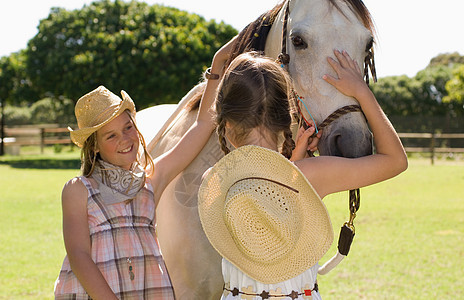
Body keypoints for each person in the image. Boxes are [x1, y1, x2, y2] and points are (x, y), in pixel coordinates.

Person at [197, 51, 408, 299]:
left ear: (227, 125)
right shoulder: (310, 176)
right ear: (287, 119)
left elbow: (265, 199)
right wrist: (362, 92)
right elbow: (395, 160)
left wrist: (294, 164)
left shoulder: (213, 182)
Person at [53, 38, 236, 299]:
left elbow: (203, 123)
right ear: (94, 146)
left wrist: (217, 63)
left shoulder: (152, 179)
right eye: (111, 136)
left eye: (128, 127)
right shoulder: (78, 189)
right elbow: (79, 255)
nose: (125, 139)